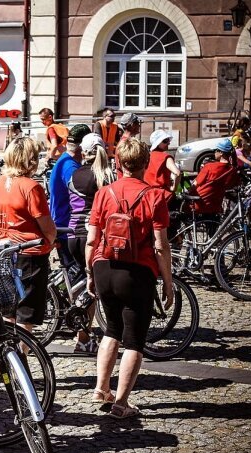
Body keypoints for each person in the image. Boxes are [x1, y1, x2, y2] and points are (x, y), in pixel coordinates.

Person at [85, 138, 173, 418]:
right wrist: (168, 282)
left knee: (111, 329)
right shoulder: (155, 196)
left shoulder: (103, 193)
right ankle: (121, 404)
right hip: (136, 271)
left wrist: (90, 273)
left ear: (118, 163)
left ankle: (101, 388)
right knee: (134, 339)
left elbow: (91, 240)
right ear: (146, 164)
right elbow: (160, 245)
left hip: (103, 266)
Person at [0, 137, 57, 333]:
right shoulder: (31, 186)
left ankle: (4, 359)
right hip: (30, 254)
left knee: (8, 311)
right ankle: (19, 358)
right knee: (25, 313)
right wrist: (52, 240)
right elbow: (47, 226)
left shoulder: (1, 182)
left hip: (4, 250)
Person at [67, 133, 113, 354]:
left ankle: (82, 332)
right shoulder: (105, 175)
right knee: (93, 287)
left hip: (72, 234)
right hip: (91, 236)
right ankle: (83, 338)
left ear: (83, 152)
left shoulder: (75, 174)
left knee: (82, 285)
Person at [49, 124, 91, 266]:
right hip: (68, 227)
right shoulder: (70, 168)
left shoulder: (66, 161)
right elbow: (84, 197)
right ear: (82, 147)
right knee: (78, 275)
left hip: (63, 224)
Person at [189, 139, 239, 215]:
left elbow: (194, 185)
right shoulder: (232, 170)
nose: (214, 152)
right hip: (215, 207)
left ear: (221, 153)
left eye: (216, 150)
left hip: (198, 204)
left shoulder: (209, 167)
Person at [145, 130, 181, 197]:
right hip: (163, 195)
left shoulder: (147, 156)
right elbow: (177, 173)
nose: (168, 143)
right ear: (157, 143)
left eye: (168, 140)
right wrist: (174, 188)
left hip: (148, 194)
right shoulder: (166, 157)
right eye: (165, 141)